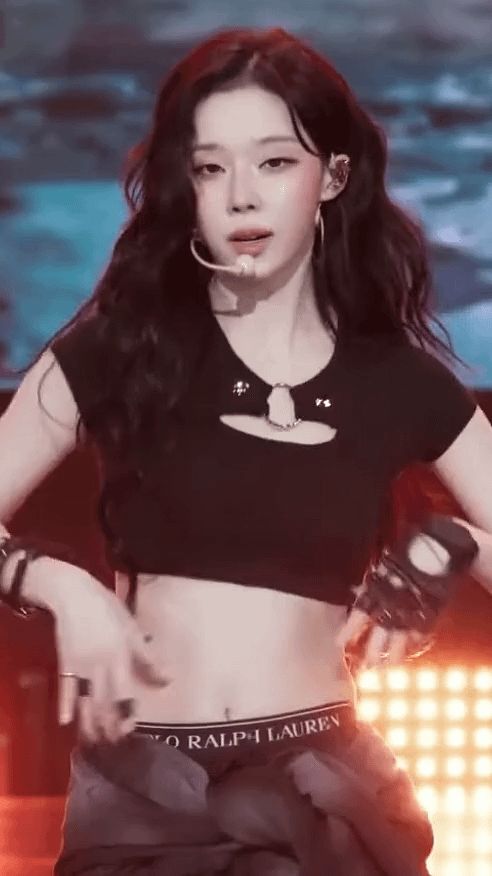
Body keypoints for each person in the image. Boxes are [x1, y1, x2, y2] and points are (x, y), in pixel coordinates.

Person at [0, 25, 491, 876]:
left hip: (322, 799)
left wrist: (454, 545)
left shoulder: (397, 380)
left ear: (332, 177)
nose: (240, 199)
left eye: (274, 162)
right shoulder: (121, 349)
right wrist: (56, 586)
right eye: (209, 167)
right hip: (146, 804)